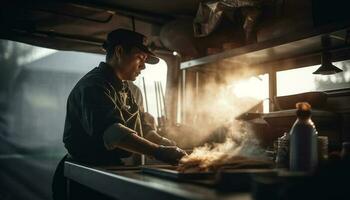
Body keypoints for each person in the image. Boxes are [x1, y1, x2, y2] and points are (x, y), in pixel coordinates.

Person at [52, 28, 187, 200]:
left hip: (106, 171)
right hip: (84, 175)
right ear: (119, 51)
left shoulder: (124, 88)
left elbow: (143, 130)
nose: (144, 66)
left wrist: (169, 145)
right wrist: (159, 152)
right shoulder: (94, 86)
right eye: (141, 57)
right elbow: (113, 133)